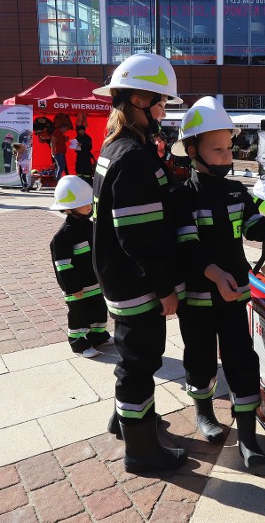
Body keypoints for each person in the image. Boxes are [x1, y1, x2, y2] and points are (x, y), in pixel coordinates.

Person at [169, 97, 265, 465]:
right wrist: (214, 274)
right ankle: (204, 413)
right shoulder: (182, 196)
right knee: (198, 358)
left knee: (242, 360)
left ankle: (247, 436)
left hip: (233, 297)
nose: (227, 155)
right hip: (197, 298)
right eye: (217, 148)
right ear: (193, 150)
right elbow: (187, 244)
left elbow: (251, 225)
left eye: (229, 147)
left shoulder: (236, 191)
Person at [91, 53, 188, 474]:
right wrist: (164, 287)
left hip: (119, 276)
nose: (165, 110)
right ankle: (142, 451)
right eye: (162, 102)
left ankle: (127, 421)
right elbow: (140, 236)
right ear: (138, 100)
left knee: (134, 357)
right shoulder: (133, 156)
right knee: (139, 364)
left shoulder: (120, 147)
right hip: (136, 281)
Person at [49, 176, 110, 358]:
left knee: (99, 310)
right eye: (83, 204)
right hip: (78, 288)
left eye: (89, 203)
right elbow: (62, 266)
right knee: (79, 316)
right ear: (68, 208)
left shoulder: (91, 227)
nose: (89, 207)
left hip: (95, 283)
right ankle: (79, 343)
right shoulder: (62, 237)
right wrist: (73, 287)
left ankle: (99, 336)